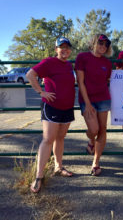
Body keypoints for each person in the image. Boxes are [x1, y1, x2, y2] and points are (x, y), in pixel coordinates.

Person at [27, 37, 75, 193]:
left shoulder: (69, 65)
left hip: (67, 108)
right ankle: (39, 177)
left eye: (67, 47)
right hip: (52, 107)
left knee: (60, 138)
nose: (65, 50)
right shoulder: (48, 62)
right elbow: (30, 75)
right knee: (48, 139)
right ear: (56, 49)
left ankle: (58, 167)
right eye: (61, 47)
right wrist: (41, 92)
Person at [75, 34, 113, 176]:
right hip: (87, 99)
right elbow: (80, 81)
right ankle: (91, 140)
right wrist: (88, 103)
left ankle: (96, 162)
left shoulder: (107, 63)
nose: (103, 46)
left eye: (105, 44)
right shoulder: (82, 57)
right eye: (100, 43)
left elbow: (110, 79)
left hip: (104, 99)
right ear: (93, 43)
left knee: (102, 129)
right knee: (94, 129)